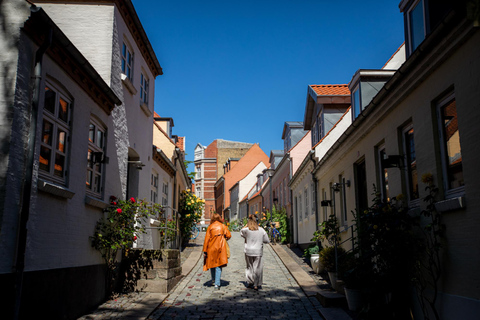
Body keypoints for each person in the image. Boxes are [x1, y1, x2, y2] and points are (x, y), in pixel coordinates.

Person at [240, 214, 270, 290]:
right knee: (257, 268)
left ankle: (250, 282)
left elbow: (241, 231)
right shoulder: (261, 230)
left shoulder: (246, 230)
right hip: (258, 251)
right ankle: (256, 284)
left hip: (248, 251)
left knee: (249, 267)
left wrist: (246, 225)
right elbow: (267, 240)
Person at [203, 213, 231, 290]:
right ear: (219, 218)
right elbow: (229, 235)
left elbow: (206, 240)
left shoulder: (210, 227)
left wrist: (205, 250)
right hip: (220, 248)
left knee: (212, 264)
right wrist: (223, 238)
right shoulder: (223, 226)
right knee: (218, 265)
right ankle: (217, 284)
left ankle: (213, 280)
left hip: (211, 248)